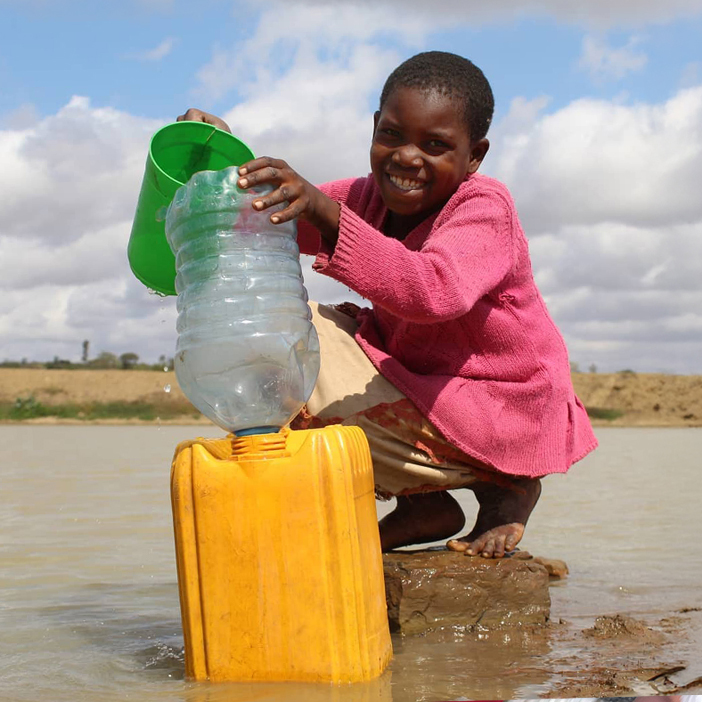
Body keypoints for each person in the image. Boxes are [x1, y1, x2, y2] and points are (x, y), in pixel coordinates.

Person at [177, 50, 597, 559]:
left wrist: (326, 211)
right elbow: (267, 215)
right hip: (423, 386)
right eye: (392, 135)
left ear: (474, 156)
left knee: (294, 349)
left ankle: (505, 484)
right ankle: (426, 507)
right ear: (376, 126)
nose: (406, 157)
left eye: (436, 145)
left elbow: (432, 289)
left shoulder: (483, 209)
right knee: (272, 326)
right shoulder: (366, 198)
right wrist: (222, 157)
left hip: (503, 409)